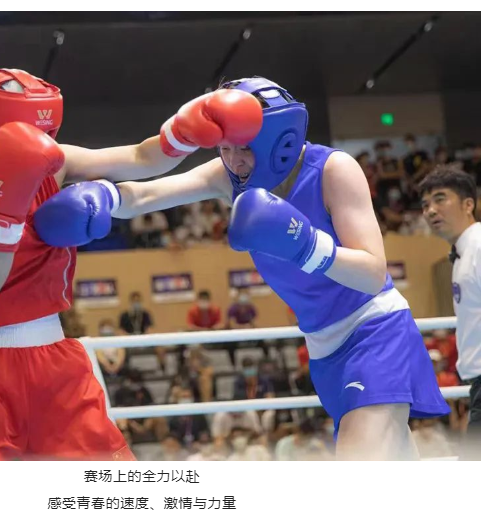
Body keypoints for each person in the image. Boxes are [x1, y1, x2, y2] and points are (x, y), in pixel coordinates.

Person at [36, 76, 449, 460]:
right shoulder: (228, 176)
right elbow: (147, 196)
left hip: (374, 331)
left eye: (244, 148)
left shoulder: (333, 170)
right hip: (323, 345)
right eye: (225, 148)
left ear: (279, 140)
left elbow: (373, 273)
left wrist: (305, 244)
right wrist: (103, 197)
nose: (234, 161)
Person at [0, 67, 260, 460]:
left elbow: (141, 157)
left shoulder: (54, 161)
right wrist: (4, 208)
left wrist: (184, 132)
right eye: (30, 133)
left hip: (54, 357)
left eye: (45, 132)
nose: (41, 142)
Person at [419, 166, 480, 460]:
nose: (431, 210)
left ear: (468, 204)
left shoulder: (481, 247)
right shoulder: (462, 254)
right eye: (425, 205)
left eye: (440, 199)